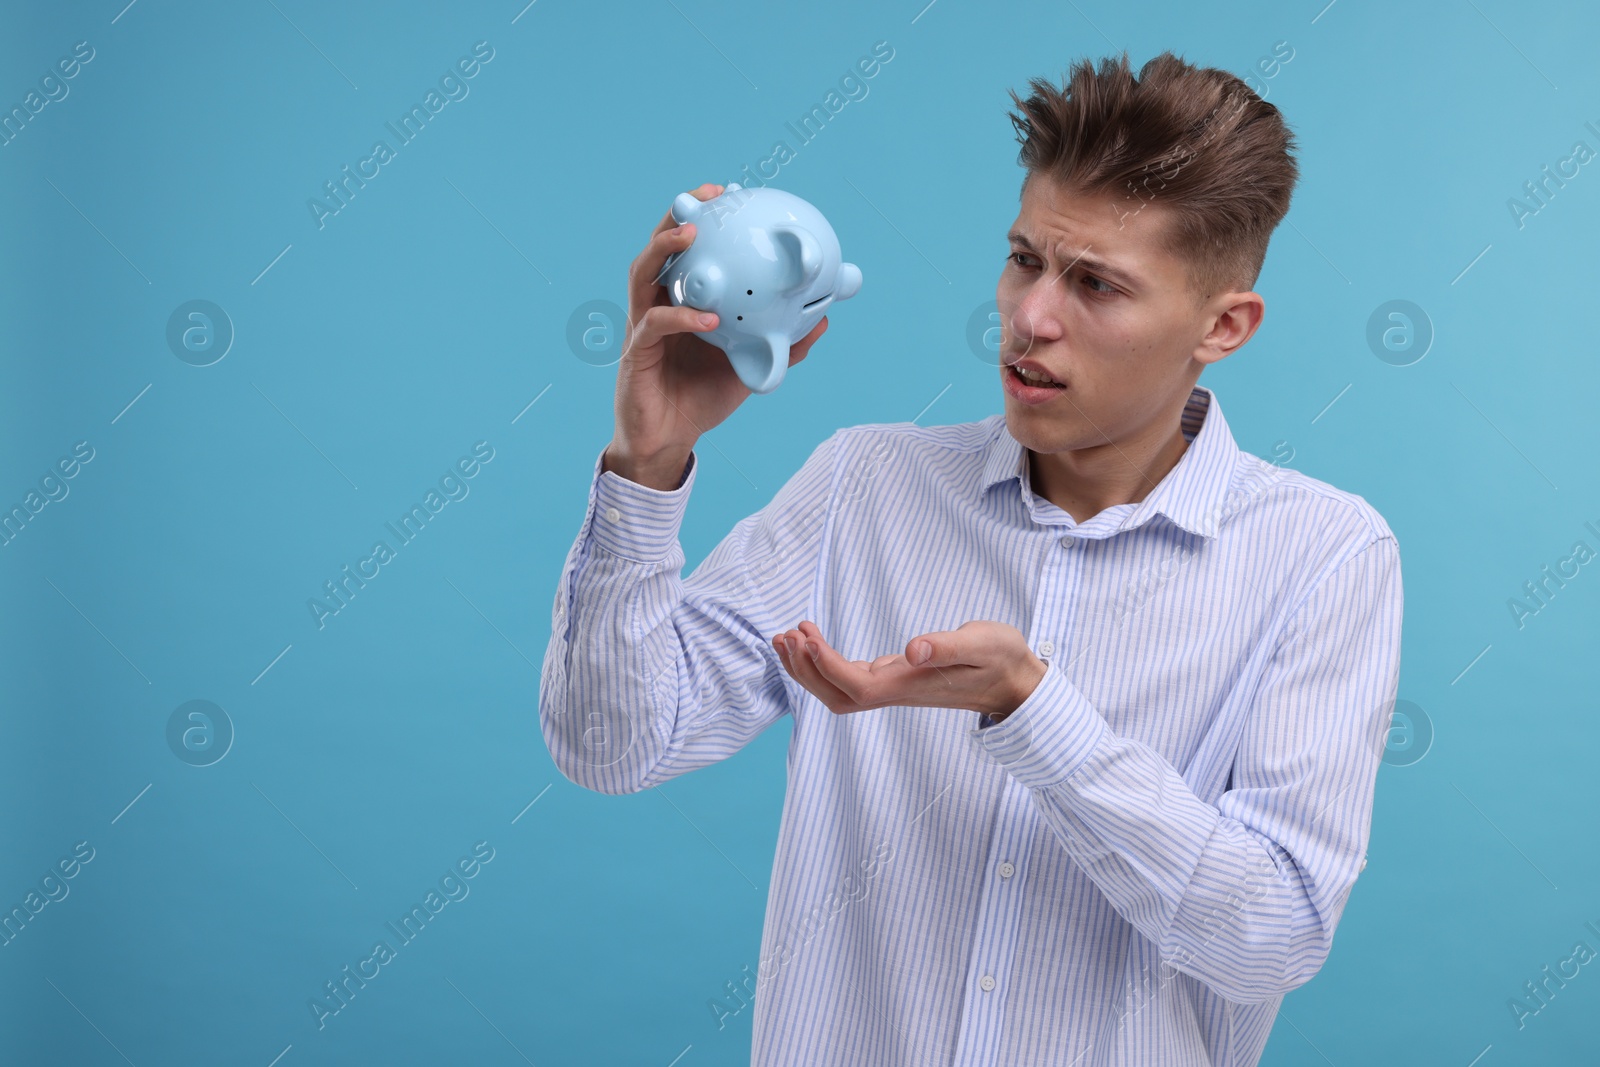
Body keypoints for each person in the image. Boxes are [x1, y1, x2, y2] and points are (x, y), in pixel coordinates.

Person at [540, 49, 1403, 1067]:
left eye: (1096, 283)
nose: (1031, 316)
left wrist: (1034, 713)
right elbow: (612, 747)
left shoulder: (1324, 556)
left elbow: (1272, 935)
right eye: (1026, 258)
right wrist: (649, 463)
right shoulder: (865, 485)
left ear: (1223, 325)